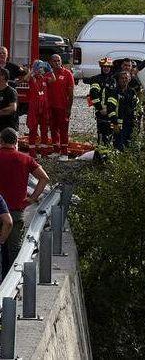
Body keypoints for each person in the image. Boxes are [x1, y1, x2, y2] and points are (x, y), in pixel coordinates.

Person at [0, 127, 49, 278]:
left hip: (0, 211)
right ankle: (12, 285)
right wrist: (33, 198)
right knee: (14, 250)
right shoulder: (25, 159)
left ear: (1, 141)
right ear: (16, 142)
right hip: (15, 211)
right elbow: (44, 178)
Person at [47, 54, 74, 161]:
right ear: (50, 62)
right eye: (54, 61)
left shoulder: (67, 74)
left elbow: (71, 93)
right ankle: (56, 150)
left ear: (61, 61)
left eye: (58, 60)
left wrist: (69, 108)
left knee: (63, 130)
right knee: (53, 129)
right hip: (51, 107)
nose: (57, 63)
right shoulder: (49, 74)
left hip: (63, 107)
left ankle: (64, 153)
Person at [27, 60, 54, 158]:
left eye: (41, 68)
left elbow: (53, 79)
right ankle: (32, 153)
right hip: (34, 107)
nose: (40, 70)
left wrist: (50, 69)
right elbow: (26, 78)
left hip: (44, 106)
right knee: (33, 129)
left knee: (44, 129)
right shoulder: (32, 79)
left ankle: (44, 153)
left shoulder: (45, 78)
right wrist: (33, 70)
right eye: (39, 68)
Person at [107, 71, 140, 151]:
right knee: (119, 146)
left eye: (126, 78)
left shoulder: (132, 92)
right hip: (119, 125)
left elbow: (136, 107)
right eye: (122, 78)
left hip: (130, 123)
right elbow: (111, 109)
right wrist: (115, 123)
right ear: (118, 80)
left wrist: (136, 121)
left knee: (130, 144)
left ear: (129, 79)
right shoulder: (114, 92)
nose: (124, 80)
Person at [89, 57, 116, 145]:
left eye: (108, 67)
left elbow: (114, 96)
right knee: (101, 134)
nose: (106, 68)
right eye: (104, 66)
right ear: (101, 67)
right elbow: (94, 95)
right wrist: (100, 108)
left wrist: (110, 109)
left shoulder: (113, 80)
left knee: (110, 134)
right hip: (101, 112)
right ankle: (100, 155)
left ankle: (108, 155)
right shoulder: (96, 79)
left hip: (111, 111)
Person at [0, 69, 18, 133]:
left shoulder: (11, 91)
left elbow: (13, 108)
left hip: (8, 127)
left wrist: (1, 111)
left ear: (3, 77)